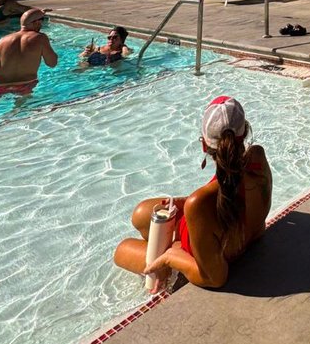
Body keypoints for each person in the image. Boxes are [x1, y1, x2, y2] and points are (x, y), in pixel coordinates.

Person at [114, 95, 272, 290]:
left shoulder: (200, 203)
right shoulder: (257, 160)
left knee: (121, 250)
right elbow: (233, 196)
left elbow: (215, 278)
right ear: (245, 131)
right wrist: (188, 202)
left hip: (213, 253)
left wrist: (172, 257)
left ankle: (169, 260)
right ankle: (169, 245)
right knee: (141, 214)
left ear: (204, 145)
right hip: (239, 235)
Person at [0, 7, 58, 93]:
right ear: (37, 22)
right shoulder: (40, 38)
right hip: (25, 85)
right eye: (42, 21)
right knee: (20, 110)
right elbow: (52, 63)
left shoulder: (2, 40)